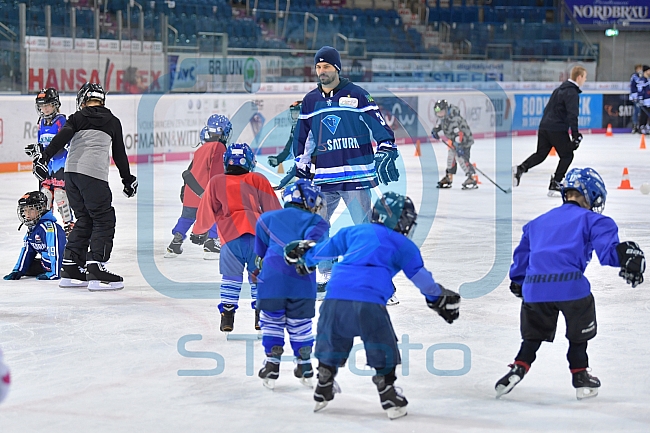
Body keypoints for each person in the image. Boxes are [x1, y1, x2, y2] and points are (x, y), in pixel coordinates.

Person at [284, 192, 461, 419]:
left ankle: (324, 384)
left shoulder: (354, 231)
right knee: (382, 344)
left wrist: (304, 259)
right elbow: (422, 279)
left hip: (335, 298)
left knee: (332, 339)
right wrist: (438, 298)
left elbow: (321, 251)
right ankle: (387, 391)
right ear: (403, 221)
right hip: (369, 304)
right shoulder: (403, 245)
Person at [496, 167, 645, 400]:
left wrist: (519, 282)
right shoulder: (595, 220)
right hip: (570, 287)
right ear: (589, 194)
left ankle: (519, 367)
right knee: (578, 335)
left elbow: (521, 259)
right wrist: (630, 256)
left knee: (532, 335)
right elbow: (609, 255)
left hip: (535, 288)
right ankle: (580, 374)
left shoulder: (536, 223)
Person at [293, 45, 400, 297]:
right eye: (318, 67)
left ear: (337, 68)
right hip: (325, 177)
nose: (321, 71)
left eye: (326, 67)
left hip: (357, 176)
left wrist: (386, 145)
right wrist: (301, 160)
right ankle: (326, 274)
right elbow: (303, 135)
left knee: (365, 230)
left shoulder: (358, 95)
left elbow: (380, 125)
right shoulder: (311, 100)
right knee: (317, 226)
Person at [31, 82, 137, 291]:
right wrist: (127, 179)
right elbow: (119, 154)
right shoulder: (112, 120)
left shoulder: (76, 117)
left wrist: (43, 157)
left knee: (85, 219)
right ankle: (96, 268)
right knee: (103, 218)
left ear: (82, 100)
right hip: (93, 177)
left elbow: (61, 138)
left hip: (70, 176)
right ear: (101, 100)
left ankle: (70, 267)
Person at [191, 142, 281, 332]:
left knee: (230, 278)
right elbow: (273, 211)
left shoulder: (216, 182)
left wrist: (198, 231)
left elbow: (206, 211)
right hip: (258, 239)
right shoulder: (258, 179)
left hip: (230, 240)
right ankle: (260, 316)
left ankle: (227, 317)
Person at [255, 179, 329, 389]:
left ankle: (272, 363)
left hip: (271, 280)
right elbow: (316, 247)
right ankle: (304, 364)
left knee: (272, 321)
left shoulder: (266, 218)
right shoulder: (318, 222)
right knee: (301, 325)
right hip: (302, 282)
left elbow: (260, 253)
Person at [513, 65, 587, 196]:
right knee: (567, 155)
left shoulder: (559, 89)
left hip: (545, 126)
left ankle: (520, 168)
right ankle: (556, 183)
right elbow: (572, 115)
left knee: (541, 154)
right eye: (585, 77)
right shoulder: (572, 92)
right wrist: (575, 135)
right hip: (557, 128)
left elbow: (547, 109)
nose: (585, 80)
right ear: (579, 77)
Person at [165, 114, 231, 259]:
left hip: (191, 193)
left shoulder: (201, 149)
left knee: (187, 217)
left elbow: (191, 171)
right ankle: (211, 242)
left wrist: (185, 191)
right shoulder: (219, 147)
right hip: (206, 193)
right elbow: (216, 172)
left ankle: (175, 243)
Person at [24, 88, 75, 234]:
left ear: (55, 105)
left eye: (47, 105)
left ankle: (69, 225)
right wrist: (36, 149)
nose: (44, 109)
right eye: (41, 106)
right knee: (45, 195)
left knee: (60, 195)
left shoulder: (61, 121)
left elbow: (67, 142)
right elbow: (42, 143)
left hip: (60, 164)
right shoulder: (41, 123)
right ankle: (46, 225)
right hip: (47, 165)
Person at [3, 191, 66, 281]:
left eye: (31, 209)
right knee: (27, 266)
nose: (27, 213)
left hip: (62, 266)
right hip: (46, 265)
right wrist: (18, 270)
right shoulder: (33, 229)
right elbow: (27, 250)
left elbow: (56, 251)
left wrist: (55, 273)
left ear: (42, 208)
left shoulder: (49, 228)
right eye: (25, 210)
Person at [431, 99, 478, 189]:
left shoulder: (454, 119)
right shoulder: (444, 118)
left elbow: (458, 133)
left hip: (464, 141)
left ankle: (471, 177)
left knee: (462, 158)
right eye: (438, 113)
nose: (439, 115)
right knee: (450, 157)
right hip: (454, 141)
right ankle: (449, 176)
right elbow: (442, 125)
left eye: (441, 112)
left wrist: (459, 146)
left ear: (446, 110)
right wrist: (436, 130)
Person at [268, 101, 302, 191]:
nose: (294, 116)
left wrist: (292, 174)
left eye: (297, 113)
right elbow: (289, 149)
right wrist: (279, 159)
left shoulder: (305, 129)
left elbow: (305, 156)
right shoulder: (295, 128)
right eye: (293, 113)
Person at [629, 64, 643, 134]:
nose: (640, 70)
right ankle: (635, 126)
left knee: (642, 112)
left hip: (643, 97)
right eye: (639, 68)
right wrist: (633, 96)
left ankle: (642, 126)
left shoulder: (644, 77)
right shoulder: (634, 77)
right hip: (636, 97)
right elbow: (632, 87)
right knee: (636, 111)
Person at [636, 65, 650, 135]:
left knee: (648, 115)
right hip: (645, 101)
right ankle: (641, 127)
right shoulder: (642, 80)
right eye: (649, 70)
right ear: (646, 71)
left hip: (649, 100)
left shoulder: (648, 80)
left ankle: (647, 126)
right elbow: (640, 90)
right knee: (643, 114)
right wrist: (640, 99)